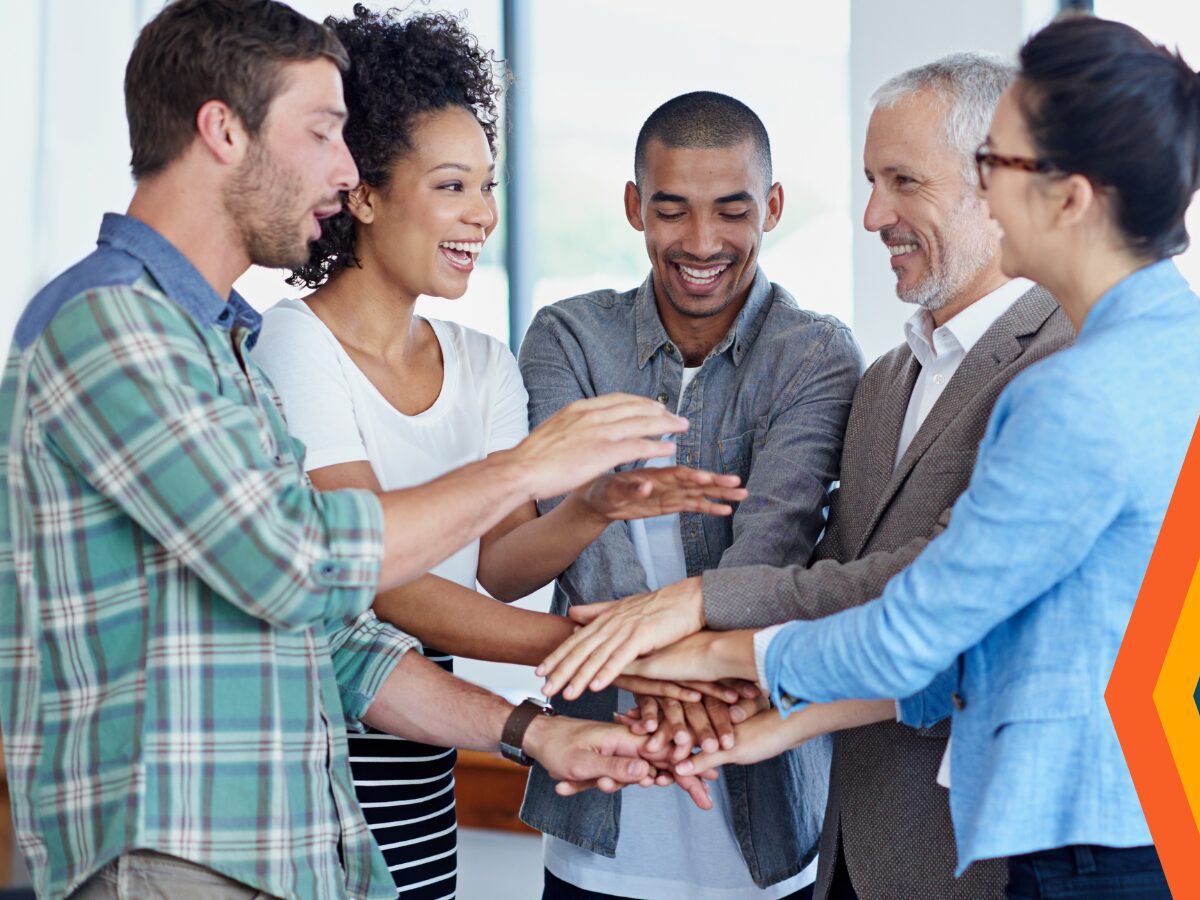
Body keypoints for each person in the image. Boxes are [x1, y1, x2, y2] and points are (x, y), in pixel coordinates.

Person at [539, 14, 1200, 900]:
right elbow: (988, 642)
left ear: (1070, 197)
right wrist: (774, 724)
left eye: (994, 168)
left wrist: (713, 650)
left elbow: (919, 628)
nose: (989, 196)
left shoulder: (1074, 388)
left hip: (1090, 847)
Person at [0, 2, 686, 898]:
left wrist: (532, 732)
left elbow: (336, 637)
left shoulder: (219, 349)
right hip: (176, 862)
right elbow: (304, 560)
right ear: (222, 131)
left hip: (298, 859)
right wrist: (524, 470)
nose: (343, 164)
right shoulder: (112, 325)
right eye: (323, 132)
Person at [544, 53, 1075, 900]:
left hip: (987, 860)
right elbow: (829, 570)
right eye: (871, 180)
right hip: (848, 852)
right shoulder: (887, 378)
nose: (873, 215)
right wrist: (747, 697)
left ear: (998, 183)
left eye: (903, 182)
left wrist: (701, 615)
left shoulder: (1063, 361)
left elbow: (932, 591)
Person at [245, 8, 749, 898]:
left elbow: (504, 568)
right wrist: (616, 657)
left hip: (424, 744)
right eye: (451, 187)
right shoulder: (292, 346)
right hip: (315, 743)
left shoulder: (479, 361)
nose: (482, 215)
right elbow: (369, 575)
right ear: (361, 193)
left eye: (486, 186)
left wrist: (594, 505)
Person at [518, 92, 864, 900]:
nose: (701, 243)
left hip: (770, 823)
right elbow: (585, 549)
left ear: (772, 208)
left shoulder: (817, 353)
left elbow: (768, 557)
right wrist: (683, 678)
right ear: (635, 205)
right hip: (601, 816)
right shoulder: (567, 337)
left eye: (732, 212)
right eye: (671, 210)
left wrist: (666, 669)